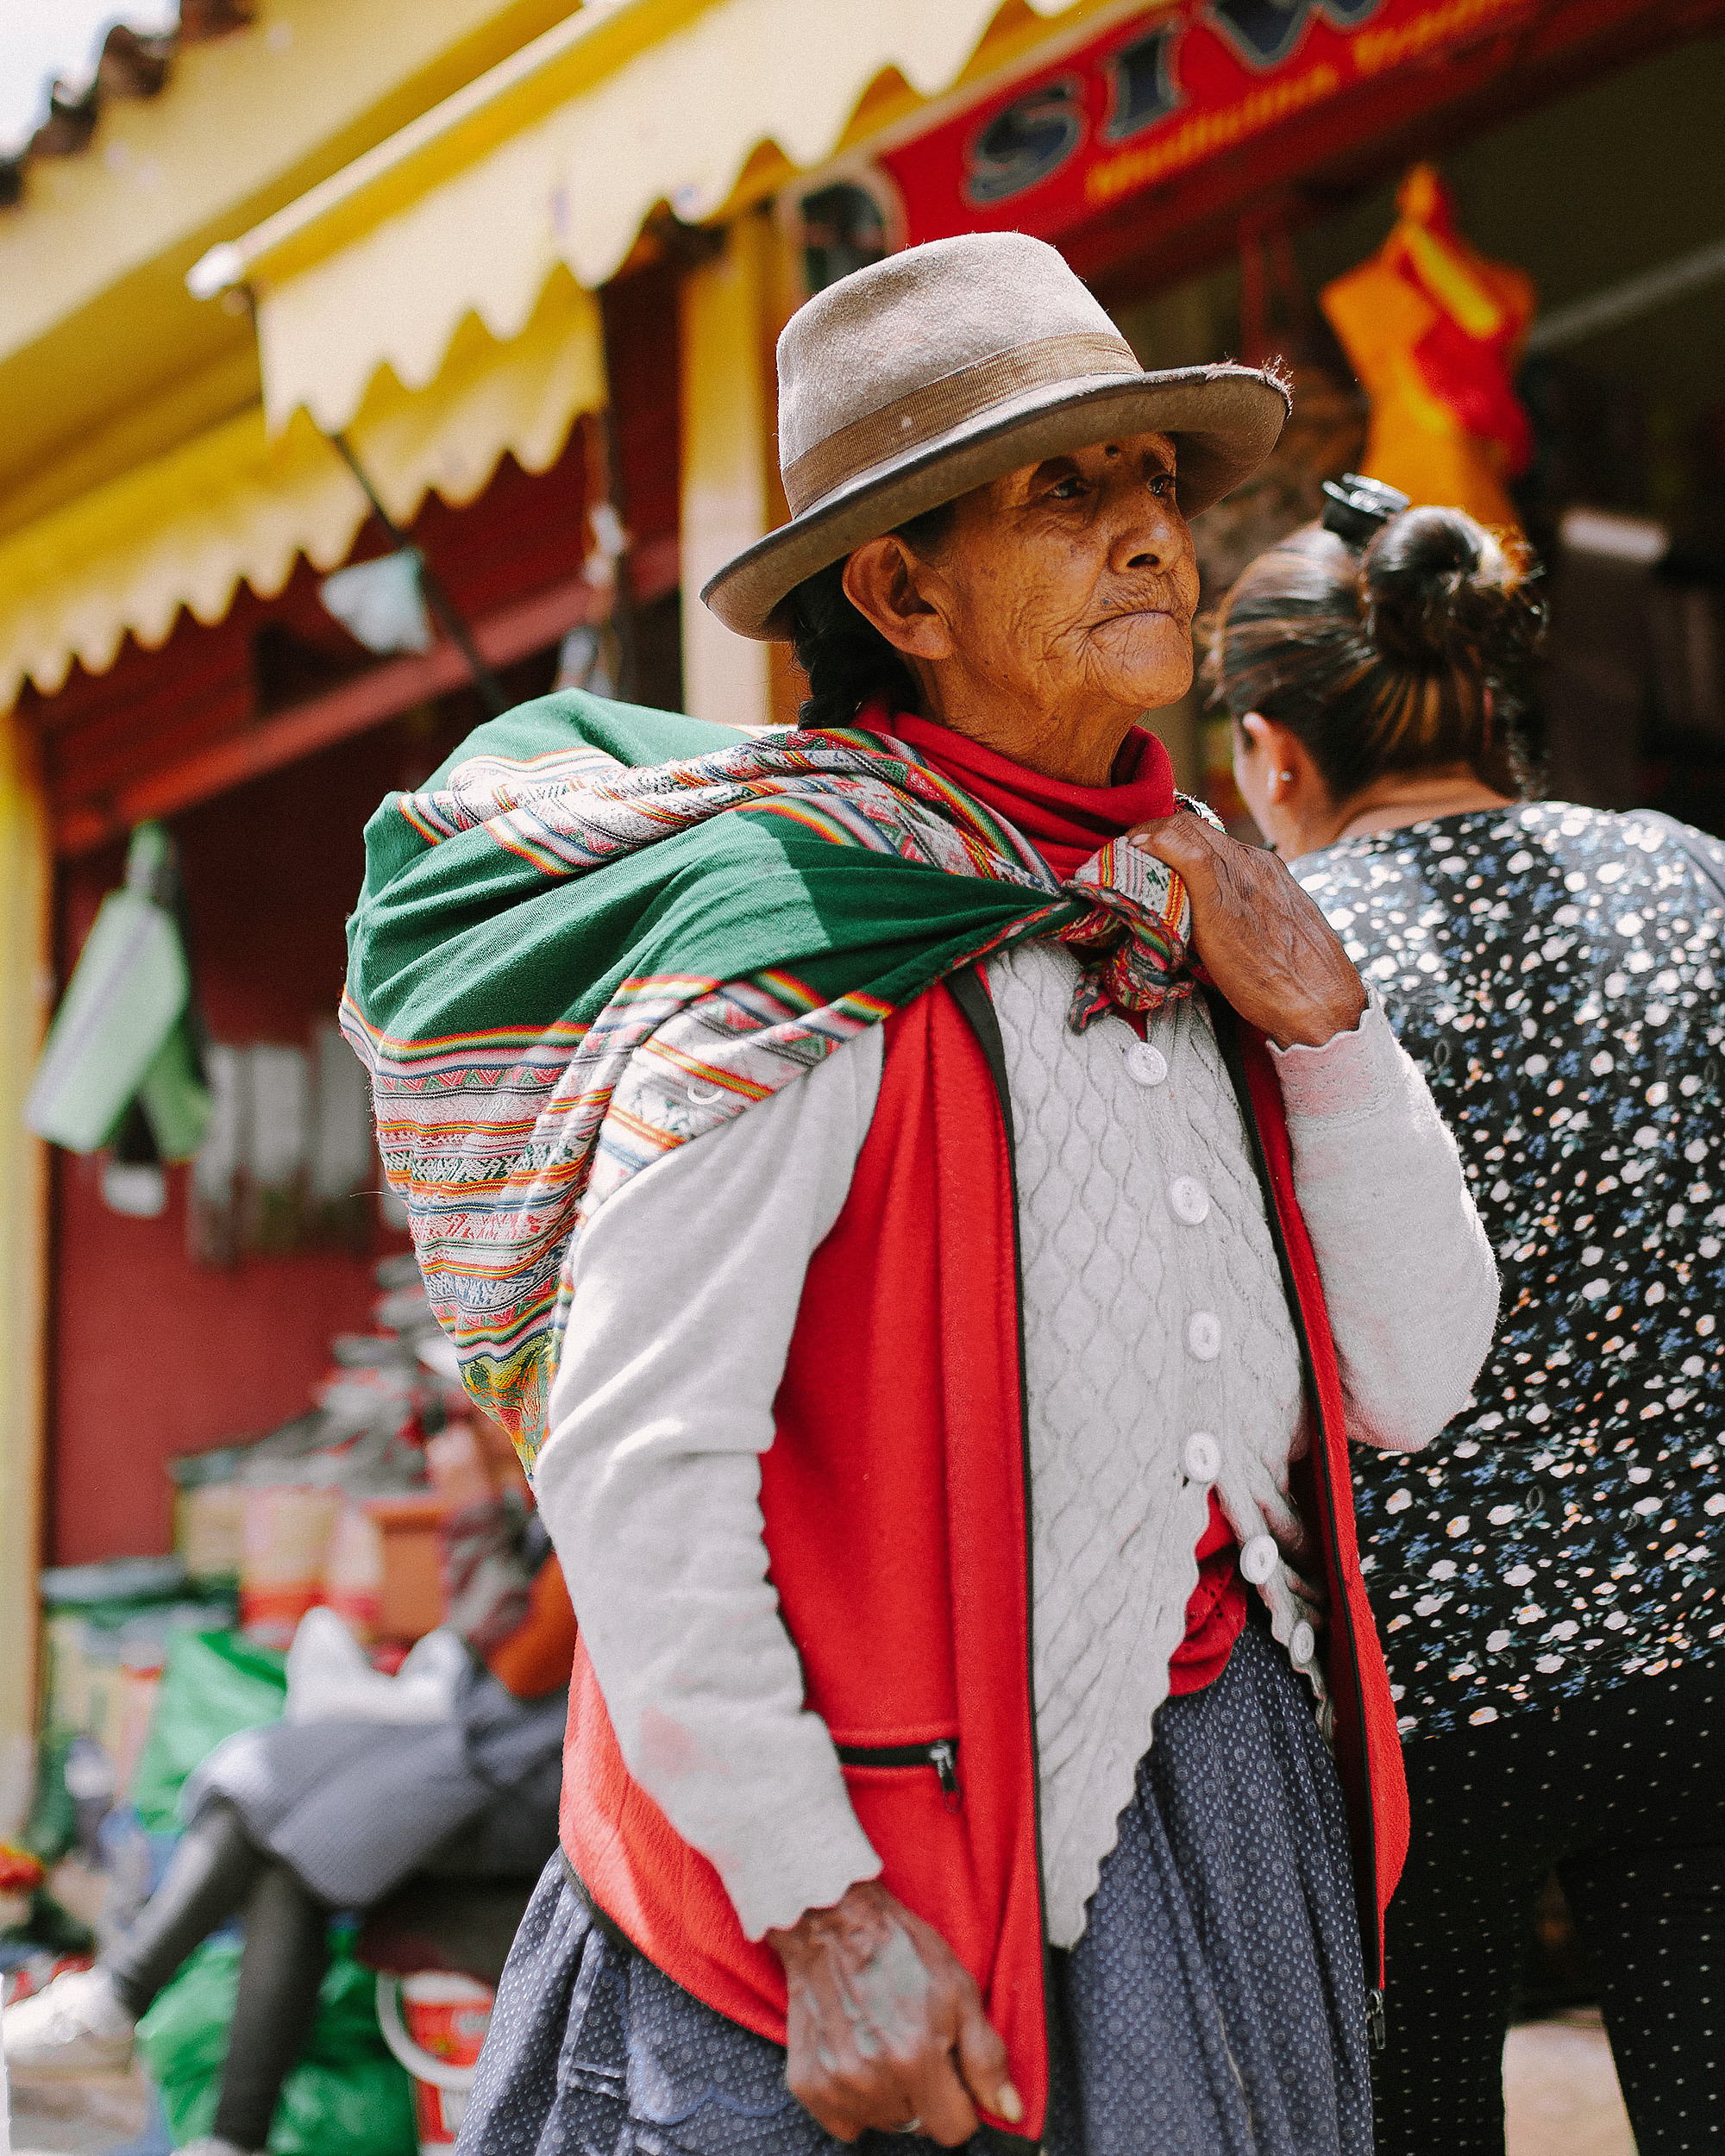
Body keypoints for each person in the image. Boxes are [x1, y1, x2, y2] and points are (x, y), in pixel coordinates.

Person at [340, 232, 1499, 2154]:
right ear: (901, 587)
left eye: (1156, 484)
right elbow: (637, 1461)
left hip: (1223, 1825)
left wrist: (1326, 1031)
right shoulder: (800, 938)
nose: (1152, 535)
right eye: (1068, 489)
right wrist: (819, 1903)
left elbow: (1419, 1368)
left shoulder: (1192, 903)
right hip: (865, 1866)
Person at [1215, 477, 1725, 2153]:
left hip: (1425, 1707)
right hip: (1702, 1649)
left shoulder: (1287, 962)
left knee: (1417, 2122)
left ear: (1272, 755)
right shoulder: (1688, 879)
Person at [3, 1467, 573, 2156]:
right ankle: (205, 2113)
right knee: (254, 1778)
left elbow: (524, 1668)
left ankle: (123, 2009)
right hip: (461, 1737)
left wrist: (478, 1480)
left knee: (288, 1838)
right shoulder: (549, 1470)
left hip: (526, 1774)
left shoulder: (601, 1482)